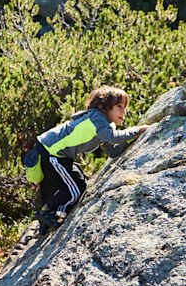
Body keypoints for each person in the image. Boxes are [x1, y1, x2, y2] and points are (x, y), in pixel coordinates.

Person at [34, 85, 151, 234]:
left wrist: (132, 143)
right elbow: (112, 137)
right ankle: (48, 213)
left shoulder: (105, 124)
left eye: (125, 108)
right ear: (104, 107)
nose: (124, 111)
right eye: (119, 106)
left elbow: (112, 151)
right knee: (74, 190)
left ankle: (47, 219)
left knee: (78, 183)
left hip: (57, 154)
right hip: (51, 151)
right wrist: (138, 131)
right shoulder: (97, 117)